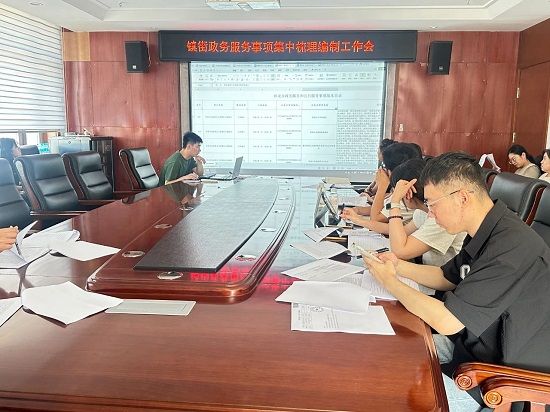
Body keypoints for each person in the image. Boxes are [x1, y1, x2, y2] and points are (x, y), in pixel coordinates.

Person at [362, 152, 550, 411]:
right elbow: (446, 276)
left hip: (499, 379)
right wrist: (396, 266)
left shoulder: (510, 247)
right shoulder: (486, 229)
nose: (430, 214)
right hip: (469, 348)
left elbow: (448, 321)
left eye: (432, 205)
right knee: (384, 349)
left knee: (389, 381)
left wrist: (390, 282)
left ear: (462, 197)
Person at [384, 159, 466, 266]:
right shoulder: (422, 211)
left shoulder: (441, 217)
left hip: (444, 275)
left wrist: (394, 202)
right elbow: (403, 232)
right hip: (428, 269)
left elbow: (400, 251)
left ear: (407, 193)